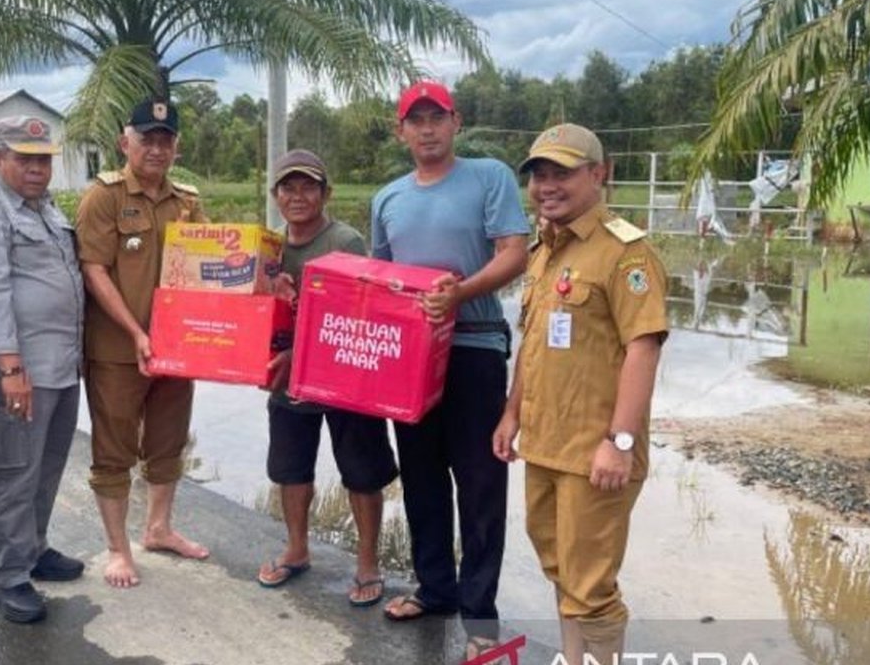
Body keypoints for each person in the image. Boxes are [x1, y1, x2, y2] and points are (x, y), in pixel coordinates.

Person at [493, 123, 668, 664]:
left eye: (562, 173)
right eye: (539, 175)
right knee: (562, 569)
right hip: (545, 444)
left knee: (590, 585)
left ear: (599, 173)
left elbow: (644, 348)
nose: (547, 185)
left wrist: (618, 440)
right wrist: (510, 414)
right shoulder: (545, 251)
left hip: (594, 453)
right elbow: (535, 341)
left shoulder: (626, 254)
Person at [370, 81, 529, 660]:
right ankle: (435, 587)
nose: (427, 128)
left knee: (481, 481)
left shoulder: (490, 176)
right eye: (416, 120)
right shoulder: (387, 198)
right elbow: (380, 281)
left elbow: (516, 252)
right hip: (409, 356)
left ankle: (479, 612)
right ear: (401, 131)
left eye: (437, 117)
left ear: (456, 122)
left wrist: (459, 295)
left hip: (474, 347)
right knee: (422, 475)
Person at [0, 116, 86, 624]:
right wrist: (10, 368)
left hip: (58, 365)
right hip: (15, 371)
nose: (36, 168)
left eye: (43, 159)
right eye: (24, 158)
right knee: (11, 472)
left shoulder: (45, 208)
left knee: (46, 467)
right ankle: (7, 577)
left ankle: (33, 549)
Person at [75, 98, 209, 589]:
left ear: (176, 146)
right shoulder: (104, 197)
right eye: (147, 138)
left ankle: (159, 528)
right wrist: (136, 332)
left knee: (168, 442)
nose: (156, 148)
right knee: (114, 449)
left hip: (178, 348)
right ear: (123, 142)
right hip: (117, 350)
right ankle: (118, 549)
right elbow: (94, 270)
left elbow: (207, 270)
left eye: (165, 139)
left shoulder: (188, 201)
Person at [256, 149, 399, 607]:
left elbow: (355, 317)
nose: (297, 196)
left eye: (308, 186)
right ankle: (297, 549)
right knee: (290, 468)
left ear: (325, 193)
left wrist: (299, 350)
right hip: (287, 382)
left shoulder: (347, 242)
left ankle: (367, 563)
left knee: (361, 471)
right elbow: (256, 315)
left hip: (346, 381)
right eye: (288, 187)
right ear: (276, 196)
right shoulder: (269, 249)